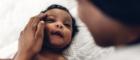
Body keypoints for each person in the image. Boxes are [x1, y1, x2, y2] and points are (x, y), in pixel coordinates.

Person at [14, 4, 78, 60]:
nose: (59, 25)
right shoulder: (23, 49)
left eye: (67, 25)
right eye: (50, 20)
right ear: (37, 26)